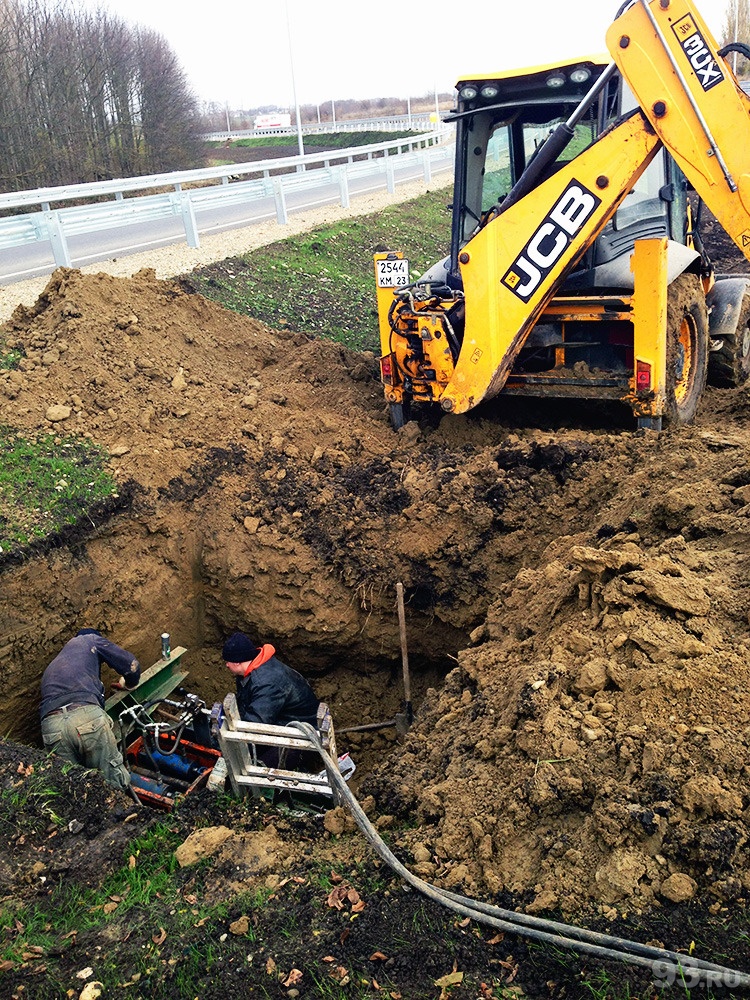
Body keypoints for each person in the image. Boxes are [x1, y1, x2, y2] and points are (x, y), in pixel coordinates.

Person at [40, 629, 141, 791]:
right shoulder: (89, 639)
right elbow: (131, 665)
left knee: (72, 791)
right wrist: (128, 684)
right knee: (113, 784)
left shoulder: (56, 664)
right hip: (85, 718)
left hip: (52, 728)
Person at [222, 631, 319, 768]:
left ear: (237, 662)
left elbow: (256, 723)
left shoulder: (266, 683)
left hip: (303, 736)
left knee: (257, 768)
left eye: (228, 661)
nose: (226, 665)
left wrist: (229, 738)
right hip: (283, 721)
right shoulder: (251, 670)